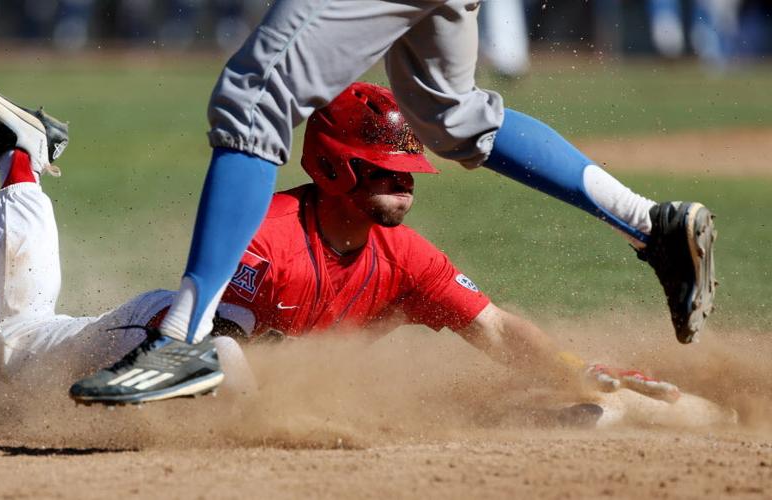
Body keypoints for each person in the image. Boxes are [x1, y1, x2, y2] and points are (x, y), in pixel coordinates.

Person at [57, 0, 717, 405]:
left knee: (254, 98)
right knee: (451, 115)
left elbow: (488, 325)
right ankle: (646, 222)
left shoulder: (394, 253)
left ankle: (177, 341)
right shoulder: (302, 238)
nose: (401, 184)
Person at [0, 80, 680, 406]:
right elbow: (215, 355)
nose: (407, 185)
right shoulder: (264, 237)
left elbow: (493, 329)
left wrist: (573, 371)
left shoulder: (407, 258)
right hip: (168, 336)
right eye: (386, 172)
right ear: (331, 167)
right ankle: (24, 154)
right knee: (13, 349)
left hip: (223, 368)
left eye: (408, 171)